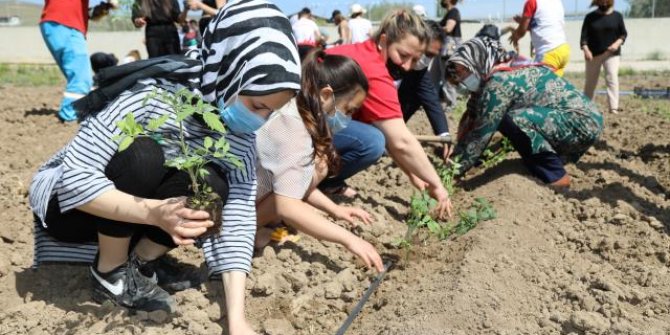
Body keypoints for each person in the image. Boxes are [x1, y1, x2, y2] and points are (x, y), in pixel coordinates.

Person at [29, 2, 301, 334]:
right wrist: (155, 214)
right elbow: (74, 178)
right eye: (257, 105)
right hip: (72, 211)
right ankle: (110, 271)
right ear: (228, 71)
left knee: (212, 185)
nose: (259, 120)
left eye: (270, 112)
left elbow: (239, 218)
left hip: (135, 216)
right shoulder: (153, 95)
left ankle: (140, 265)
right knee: (143, 154)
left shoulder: (240, 137)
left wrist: (237, 319)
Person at [255, 50, 384, 272]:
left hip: (252, 198)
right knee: (303, 181)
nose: (348, 117)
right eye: (348, 109)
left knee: (320, 164)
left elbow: (297, 180)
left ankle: (258, 227)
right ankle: (249, 232)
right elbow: (286, 203)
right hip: (233, 213)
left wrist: (335, 210)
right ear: (326, 95)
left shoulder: (299, 112)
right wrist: (349, 239)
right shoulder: (291, 128)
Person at [324, 10, 452, 218]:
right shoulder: (372, 69)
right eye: (402, 55)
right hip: (295, 126)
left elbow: (387, 133)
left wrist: (412, 173)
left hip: (303, 120)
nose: (406, 66)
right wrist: (437, 185)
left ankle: (321, 178)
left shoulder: (364, 52)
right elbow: (400, 140)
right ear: (383, 40)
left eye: (415, 59)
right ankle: (318, 182)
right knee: (371, 142)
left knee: (373, 134)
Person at [445, 36, 603, 188]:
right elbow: (475, 115)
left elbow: (480, 135)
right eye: (458, 74)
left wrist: (449, 171)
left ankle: (555, 176)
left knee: (514, 121)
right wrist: (460, 147)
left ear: (478, 61)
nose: (462, 78)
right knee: (508, 120)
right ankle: (550, 161)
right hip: (582, 119)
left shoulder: (498, 84)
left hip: (580, 122)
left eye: (464, 71)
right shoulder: (506, 68)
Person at [39, 0, 117, 122]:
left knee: (80, 78)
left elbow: (82, 12)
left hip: (56, 23)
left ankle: (90, 109)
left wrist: (101, 8)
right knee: (81, 79)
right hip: (66, 24)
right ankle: (70, 115)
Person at [399, 20, 451, 160]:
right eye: (427, 54)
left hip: (391, 119)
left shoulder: (419, 71)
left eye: (433, 56)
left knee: (418, 95)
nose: (425, 60)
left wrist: (444, 135)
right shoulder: (383, 62)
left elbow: (431, 100)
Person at [581, 0, 627, 114]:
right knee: (590, 82)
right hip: (593, 55)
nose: (604, 4)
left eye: (607, 2)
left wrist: (616, 44)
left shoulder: (617, 16)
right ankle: (587, 107)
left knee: (612, 77)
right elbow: (583, 38)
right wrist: (586, 50)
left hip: (611, 54)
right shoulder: (590, 17)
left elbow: (623, 34)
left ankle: (613, 108)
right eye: (602, 2)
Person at [509, 0, 570, 77]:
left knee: (539, 85)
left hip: (548, 53)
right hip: (563, 50)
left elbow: (521, 32)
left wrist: (515, 35)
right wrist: (523, 22)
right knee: (554, 85)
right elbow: (542, 25)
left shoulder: (532, 2)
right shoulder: (557, 2)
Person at [438, 0, 462, 108]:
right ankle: (449, 102)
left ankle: (451, 104)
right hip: (447, 49)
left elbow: (448, 28)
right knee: (447, 76)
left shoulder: (453, 11)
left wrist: (434, 27)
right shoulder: (450, 13)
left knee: (449, 76)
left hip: (449, 49)